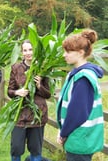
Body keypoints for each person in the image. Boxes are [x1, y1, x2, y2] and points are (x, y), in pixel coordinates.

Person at [56, 29, 104, 161]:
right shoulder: (77, 74)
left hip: (79, 138)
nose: (64, 55)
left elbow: (78, 113)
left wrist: (63, 133)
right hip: (79, 137)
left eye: (68, 51)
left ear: (80, 53)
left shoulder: (83, 78)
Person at [8, 40, 51, 161]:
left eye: (30, 49)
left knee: (35, 149)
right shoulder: (16, 68)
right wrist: (17, 92)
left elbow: (48, 94)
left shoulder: (42, 68)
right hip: (19, 115)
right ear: (21, 52)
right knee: (16, 148)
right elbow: (9, 91)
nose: (28, 53)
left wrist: (39, 86)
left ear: (35, 51)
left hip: (37, 116)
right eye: (25, 50)